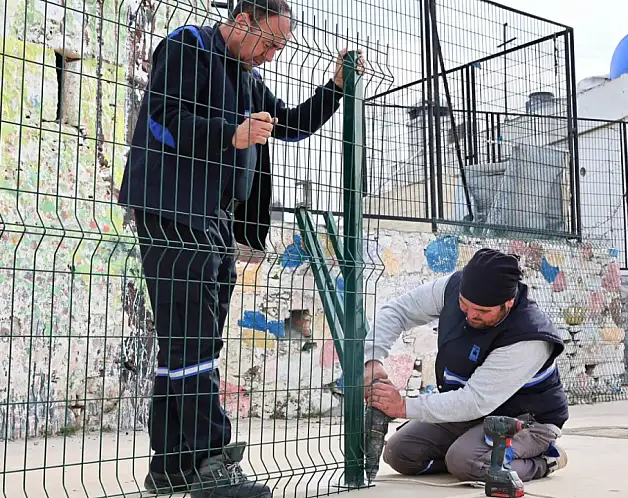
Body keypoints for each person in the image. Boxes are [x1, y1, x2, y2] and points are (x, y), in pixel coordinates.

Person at [117, 1, 364, 496]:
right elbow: (163, 119)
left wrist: (336, 88)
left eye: (281, 47)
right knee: (192, 339)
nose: (273, 55)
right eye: (270, 42)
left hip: (215, 220)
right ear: (242, 21)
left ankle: (170, 467)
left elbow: (289, 124)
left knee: (190, 342)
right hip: (173, 210)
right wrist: (231, 134)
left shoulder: (245, 75)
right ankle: (211, 462)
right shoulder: (189, 46)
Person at [364, 248, 570, 484]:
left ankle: (545, 460)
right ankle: (467, 453)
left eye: (483, 311)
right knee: (400, 454)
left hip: (526, 420)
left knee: (468, 463)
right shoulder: (452, 287)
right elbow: (397, 311)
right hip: (472, 416)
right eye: (464, 304)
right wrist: (371, 360)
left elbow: (475, 400)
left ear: (509, 303)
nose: (470, 315)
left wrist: (401, 406)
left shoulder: (528, 336)